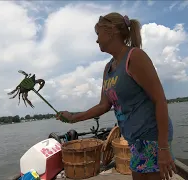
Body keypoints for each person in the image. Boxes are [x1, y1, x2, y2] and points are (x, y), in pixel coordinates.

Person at [56, 12, 176, 180]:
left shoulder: (134, 57)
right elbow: (103, 105)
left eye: (98, 34)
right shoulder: (108, 68)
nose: (97, 40)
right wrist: (73, 117)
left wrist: (163, 148)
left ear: (111, 31)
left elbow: (160, 100)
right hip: (134, 140)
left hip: (152, 137)